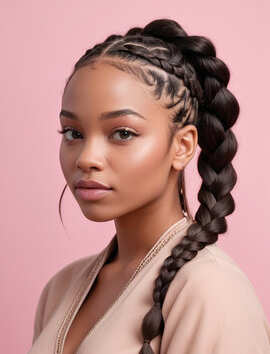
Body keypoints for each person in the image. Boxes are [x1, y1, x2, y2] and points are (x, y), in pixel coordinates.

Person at [28, 18, 270, 354]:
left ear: (182, 146)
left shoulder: (211, 289)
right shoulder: (60, 289)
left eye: (123, 133)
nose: (86, 158)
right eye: (73, 133)